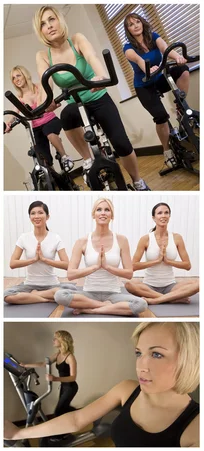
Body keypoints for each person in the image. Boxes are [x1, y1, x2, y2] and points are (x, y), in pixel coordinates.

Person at [5, 322, 199, 447]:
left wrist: (54, 379)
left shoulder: (196, 430)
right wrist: (17, 433)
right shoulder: (127, 389)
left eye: (157, 354)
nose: (141, 366)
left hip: (69, 386)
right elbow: (77, 419)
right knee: (63, 411)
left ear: (189, 360)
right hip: (63, 387)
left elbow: (72, 379)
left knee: (62, 408)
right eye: (139, 353)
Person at [34, 6, 150, 191]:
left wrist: (101, 76)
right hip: (75, 103)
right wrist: (46, 102)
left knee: (121, 143)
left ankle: (138, 181)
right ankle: (88, 160)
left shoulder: (77, 39)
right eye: (43, 24)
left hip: (98, 96)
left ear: (60, 20)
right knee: (66, 114)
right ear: (40, 31)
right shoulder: (43, 55)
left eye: (51, 19)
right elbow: (43, 81)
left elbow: (92, 56)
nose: (49, 26)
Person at [53, 198, 147, 316]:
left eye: (107, 210)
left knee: (141, 304)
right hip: (89, 294)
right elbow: (71, 274)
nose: (103, 213)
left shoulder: (121, 240)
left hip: (113, 294)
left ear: (111, 215)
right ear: (94, 215)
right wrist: (95, 267)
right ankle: (107, 307)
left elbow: (129, 273)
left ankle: (91, 309)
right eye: (99, 210)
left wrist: (107, 267)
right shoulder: (82, 241)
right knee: (59, 295)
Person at [123, 13, 191, 169]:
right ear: (128, 30)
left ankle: (180, 105)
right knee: (161, 117)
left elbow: (165, 49)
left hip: (158, 80)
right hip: (144, 86)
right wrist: (147, 69)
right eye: (131, 24)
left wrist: (178, 57)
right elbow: (139, 60)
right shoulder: (128, 47)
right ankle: (167, 152)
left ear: (142, 22)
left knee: (183, 70)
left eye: (137, 22)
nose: (136, 26)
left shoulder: (153, 37)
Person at [125, 202, 199, 305]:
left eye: (166, 213)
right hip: (149, 286)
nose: (163, 215)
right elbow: (133, 266)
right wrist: (157, 261)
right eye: (159, 213)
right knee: (129, 284)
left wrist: (168, 261)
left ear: (169, 216)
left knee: (199, 283)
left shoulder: (177, 238)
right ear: (154, 218)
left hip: (171, 286)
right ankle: (172, 298)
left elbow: (187, 265)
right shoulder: (145, 239)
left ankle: (157, 300)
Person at [5, 201, 76, 304]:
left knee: (68, 292)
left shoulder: (55, 238)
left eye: (40, 213)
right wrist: (34, 259)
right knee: (8, 296)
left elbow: (67, 265)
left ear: (47, 217)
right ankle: (46, 298)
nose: (36, 216)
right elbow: (12, 264)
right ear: (30, 217)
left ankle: (33, 296)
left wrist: (44, 259)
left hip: (51, 285)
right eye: (33, 213)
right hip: (29, 285)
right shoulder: (23, 238)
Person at [5, 65, 74, 172]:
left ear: (25, 75)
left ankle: (65, 157)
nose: (16, 80)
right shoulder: (20, 98)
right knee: (42, 155)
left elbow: (49, 98)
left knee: (49, 132)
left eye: (18, 75)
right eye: (13, 78)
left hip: (51, 121)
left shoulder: (39, 88)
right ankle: (52, 175)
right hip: (37, 128)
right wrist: (7, 123)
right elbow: (14, 112)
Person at [21, 331, 78, 422]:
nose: (53, 340)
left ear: (62, 340)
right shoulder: (57, 354)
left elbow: (73, 377)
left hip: (71, 387)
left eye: (55, 338)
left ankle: (77, 418)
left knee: (59, 411)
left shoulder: (70, 357)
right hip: (64, 386)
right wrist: (26, 365)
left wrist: (55, 379)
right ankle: (76, 417)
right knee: (63, 409)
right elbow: (44, 364)